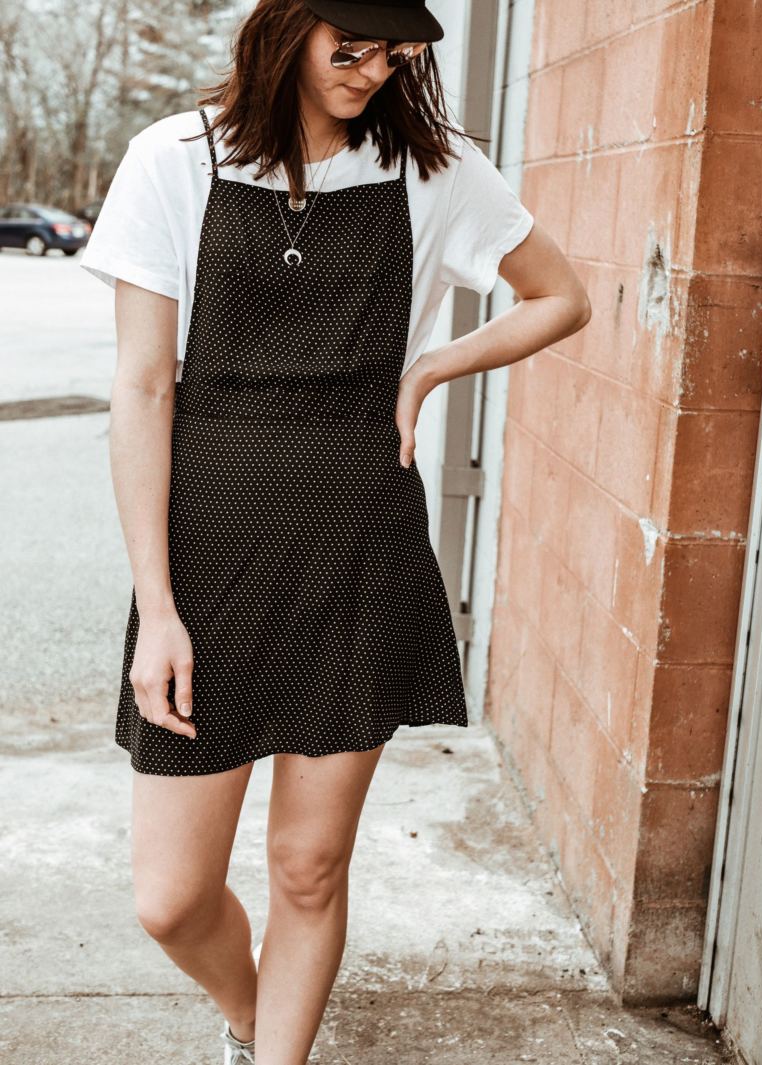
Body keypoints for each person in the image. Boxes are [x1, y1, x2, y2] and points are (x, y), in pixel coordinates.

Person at [80, 0, 591, 1060]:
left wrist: (434, 365)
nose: (372, 71)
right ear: (286, 28)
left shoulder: (432, 168)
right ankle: (251, 1018)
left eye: (396, 52)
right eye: (347, 48)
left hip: (358, 542)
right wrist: (158, 612)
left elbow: (560, 297)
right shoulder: (174, 157)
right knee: (171, 898)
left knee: (309, 868)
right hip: (209, 555)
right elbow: (139, 390)